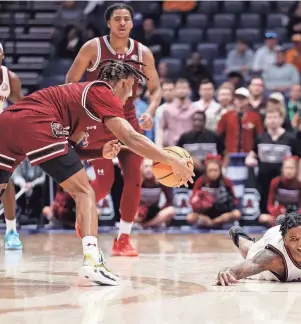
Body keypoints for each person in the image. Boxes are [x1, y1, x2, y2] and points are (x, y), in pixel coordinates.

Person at [0, 60, 194, 285]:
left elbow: (68, 152)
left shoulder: (81, 104)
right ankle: (93, 262)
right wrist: (170, 159)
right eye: (130, 88)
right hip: (35, 121)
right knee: (84, 193)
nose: (130, 95)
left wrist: (99, 151)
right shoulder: (102, 91)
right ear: (122, 82)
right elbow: (130, 137)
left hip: (6, 122)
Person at [65, 3, 163, 256]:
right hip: (99, 120)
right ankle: (82, 213)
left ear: (132, 23)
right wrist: (81, 116)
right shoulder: (92, 48)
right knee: (106, 182)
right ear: (108, 23)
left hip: (129, 119)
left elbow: (156, 90)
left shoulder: (143, 52)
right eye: (117, 19)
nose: (122, 23)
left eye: (126, 19)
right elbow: (70, 83)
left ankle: (123, 239)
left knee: (134, 179)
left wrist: (150, 111)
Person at [245, 108, 301, 214]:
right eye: (270, 117)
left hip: (282, 180)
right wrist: (249, 159)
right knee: (264, 204)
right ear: (265, 120)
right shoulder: (260, 138)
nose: (272, 120)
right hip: (263, 178)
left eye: (275, 117)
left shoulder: (290, 138)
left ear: (281, 120)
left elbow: (300, 158)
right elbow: (253, 153)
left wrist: (300, 175)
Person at [0, 42, 24, 250]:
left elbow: (23, 108)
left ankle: (11, 230)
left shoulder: (10, 78)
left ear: (2, 55)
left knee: (6, 181)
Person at [187, 155, 240, 228]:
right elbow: (192, 200)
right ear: (206, 171)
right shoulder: (201, 181)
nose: (213, 173)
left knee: (237, 213)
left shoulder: (226, 182)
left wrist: (227, 203)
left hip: (222, 215)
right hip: (206, 215)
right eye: (210, 170)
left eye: (215, 170)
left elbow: (235, 200)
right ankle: (209, 223)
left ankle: (216, 223)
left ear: (220, 170)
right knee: (190, 217)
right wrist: (200, 202)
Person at [177, 111, 225, 182]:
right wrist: (191, 160)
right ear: (192, 122)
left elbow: (224, 153)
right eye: (195, 120)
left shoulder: (214, 136)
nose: (197, 122)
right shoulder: (184, 137)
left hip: (210, 175)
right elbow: (177, 155)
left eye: (200, 120)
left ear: (205, 121)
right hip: (189, 175)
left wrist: (221, 167)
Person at [259, 157, 301, 227]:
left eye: (291, 168)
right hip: (279, 214)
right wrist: (276, 212)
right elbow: (270, 204)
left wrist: (299, 214)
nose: (289, 171)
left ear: (296, 170)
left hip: (296, 215)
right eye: (286, 168)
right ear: (282, 169)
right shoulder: (275, 182)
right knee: (262, 217)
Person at [135, 160, 175, 228]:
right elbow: (130, 201)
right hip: (140, 213)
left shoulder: (162, 181)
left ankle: (147, 225)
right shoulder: (136, 181)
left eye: (151, 167)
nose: (148, 170)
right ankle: (148, 223)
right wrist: (139, 209)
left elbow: (169, 201)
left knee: (171, 210)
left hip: (155, 212)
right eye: (146, 167)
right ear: (142, 168)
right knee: (125, 210)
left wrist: (161, 210)